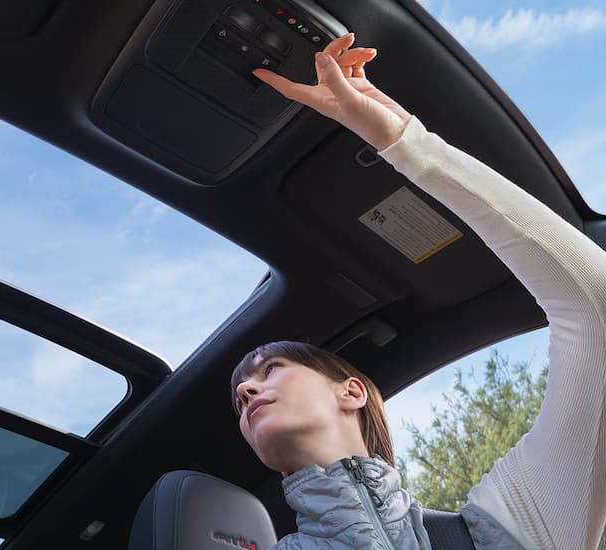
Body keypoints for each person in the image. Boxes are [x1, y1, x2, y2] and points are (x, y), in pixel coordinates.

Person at [232, 33, 606, 550]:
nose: (247, 390)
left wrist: (405, 143)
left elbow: (596, 303)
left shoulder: (507, 525)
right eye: (240, 393)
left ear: (352, 391)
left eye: (270, 369)